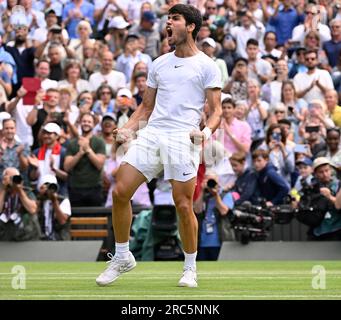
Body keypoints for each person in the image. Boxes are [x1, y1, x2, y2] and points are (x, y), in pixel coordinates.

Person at [96, 4, 222, 288]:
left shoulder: (207, 65)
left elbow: (216, 112)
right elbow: (145, 108)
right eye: (167, 19)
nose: (168, 23)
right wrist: (127, 129)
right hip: (153, 133)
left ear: (190, 26)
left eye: (174, 19)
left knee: (182, 204)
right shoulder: (159, 63)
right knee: (120, 191)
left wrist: (205, 132)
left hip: (183, 137)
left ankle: (190, 268)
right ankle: (122, 256)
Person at [64, 112, 106, 207]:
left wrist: (88, 149)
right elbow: (67, 167)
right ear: (80, 123)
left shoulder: (99, 142)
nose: (86, 123)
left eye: (89, 121)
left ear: (94, 124)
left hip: (95, 188)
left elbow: (99, 165)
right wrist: (80, 153)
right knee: (76, 220)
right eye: (84, 121)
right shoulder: (72, 143)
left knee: (96, 219)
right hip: (75, 188)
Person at [0, 167, 39, 241]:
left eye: (15, 178)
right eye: (10, 178)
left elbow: (33, 210)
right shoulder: (1, 191)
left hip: (24, 232)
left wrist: (20, 190)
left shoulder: (27, 192)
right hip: (4, 233)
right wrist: (4, 188)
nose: (13, 180)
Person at [36, 174, 71, 240]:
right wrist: (40, 198)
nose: (49, 190)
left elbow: (62, 221)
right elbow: (33, 214)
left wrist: (54, 201)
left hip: (59, 239)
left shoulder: (63, 200)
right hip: (40, 239)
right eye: (46, 186)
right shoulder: (37, 200)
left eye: (52, 187)